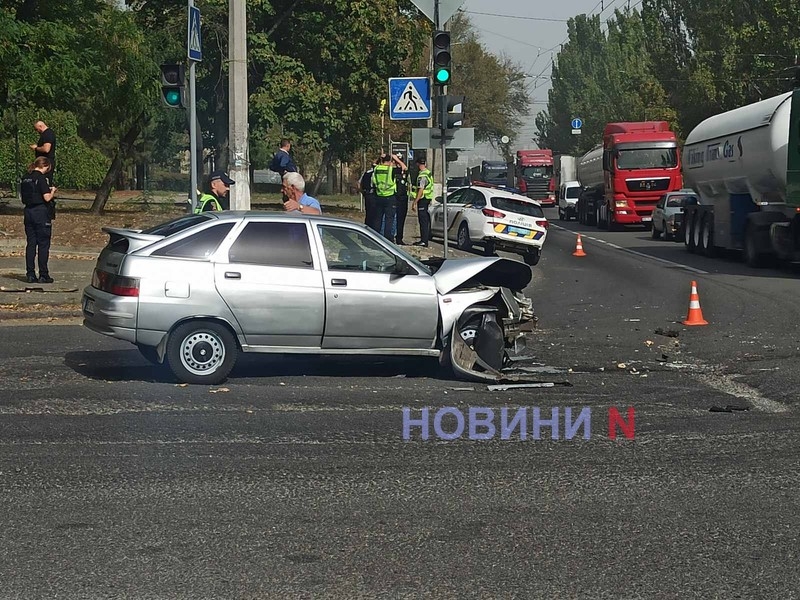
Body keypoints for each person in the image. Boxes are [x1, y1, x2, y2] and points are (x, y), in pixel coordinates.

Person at [20, 157, 56, 283]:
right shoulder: (41, 178)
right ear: (44, 166)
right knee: (43, 244)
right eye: (47, 168)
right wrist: (52, 192)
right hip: (40, 213)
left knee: (31, 244)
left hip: (28, 212)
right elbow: (46, 198)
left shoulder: (25, 178)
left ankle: (30, 274)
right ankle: (43, 274)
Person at [371, 153, 407, 239]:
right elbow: (404, 168)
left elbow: (373, 164)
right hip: (390, 197)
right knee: (389, 220)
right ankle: (387, 239)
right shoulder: (391, 170)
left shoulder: (376, 168)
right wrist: (397, 159)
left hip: (379, 196)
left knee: (377, 219)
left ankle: (376, 238)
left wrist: (379, 157)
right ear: (390, 161)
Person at [411, 156, 434, 247]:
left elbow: (421, 190)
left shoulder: (422, 176)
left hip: (423, 199)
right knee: (425, 220)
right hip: (427, 199)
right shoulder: (428, 173)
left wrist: (415, 202)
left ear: (417, 164)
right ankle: (424, 240)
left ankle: (424, 241)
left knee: (423, 221)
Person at [30, 121, 56, 186]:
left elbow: (46, 149)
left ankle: (47, 194)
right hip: (43, 162)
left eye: (36, 129)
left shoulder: (48, 134)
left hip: (46, 162)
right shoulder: (45, 134)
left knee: (45, 181)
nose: (37, 131)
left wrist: (36, 148)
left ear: (40, 126)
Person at [394, 165, 410, 245]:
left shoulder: (405, 173)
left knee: (401, 220)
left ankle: (399, 238)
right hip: (394, 198)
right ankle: (391, 237)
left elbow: (405, 168)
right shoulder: (392, 171)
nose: (398, 166)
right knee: (392, 219)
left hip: (403, 199)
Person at [359, 160, 377, 227]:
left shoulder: (366, 173)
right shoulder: (376, 173)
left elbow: (358, 184)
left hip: (367, 195)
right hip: (374, 195)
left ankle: (366, 228)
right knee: (375, 215)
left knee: (368, 214)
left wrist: (363, 192)